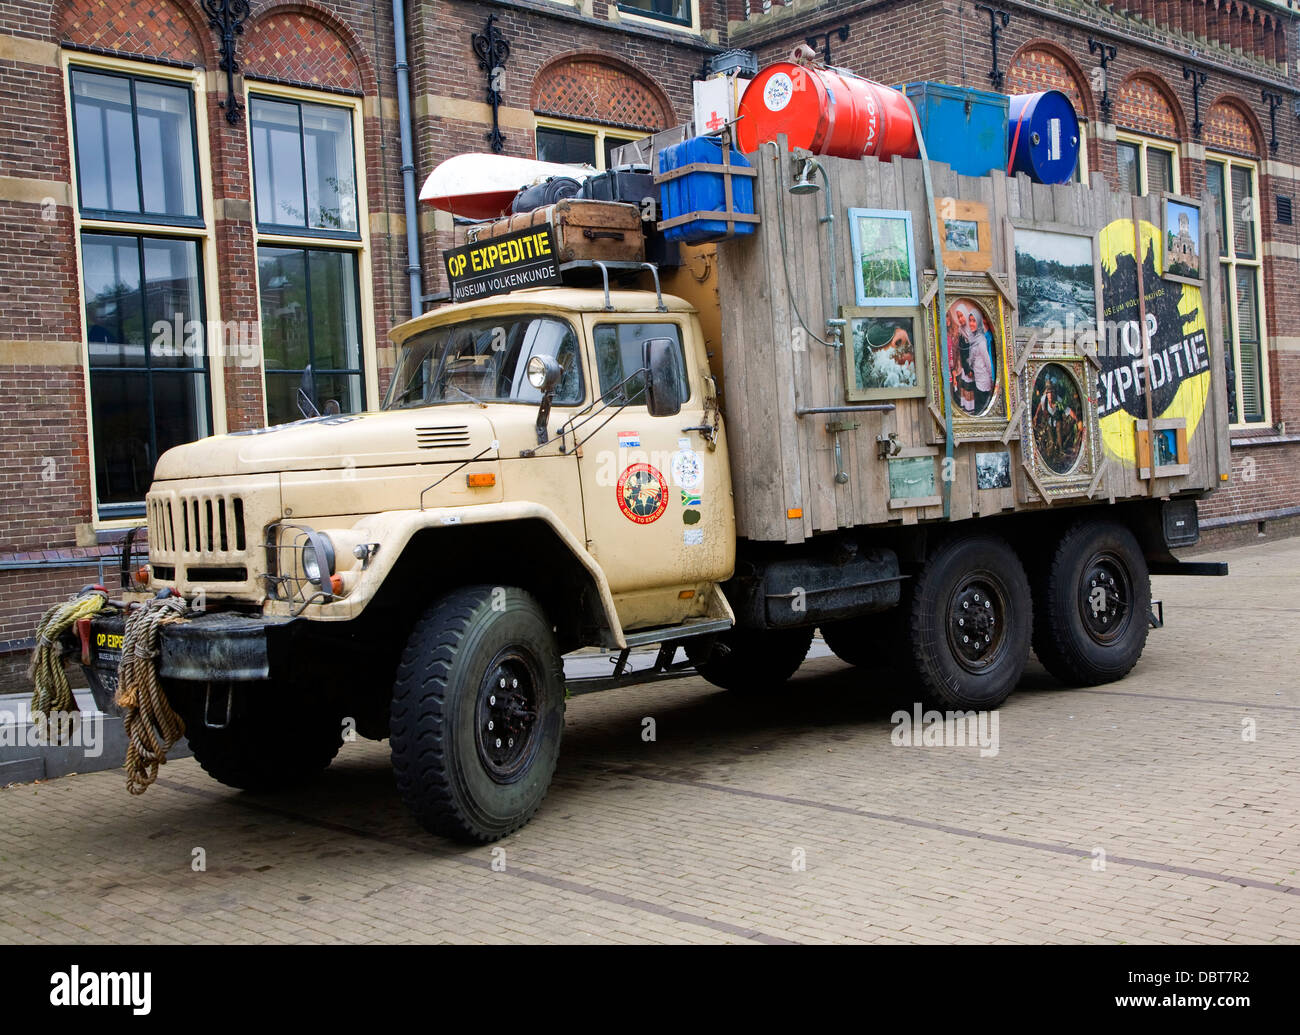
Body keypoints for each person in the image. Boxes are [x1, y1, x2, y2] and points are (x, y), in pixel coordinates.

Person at [967, 309, 995, 414]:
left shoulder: (981, 341)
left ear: (978, 322)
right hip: (977, 378)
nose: (971, 324)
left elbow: (988, 363)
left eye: (974, 321)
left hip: (983, 381)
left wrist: (992, 380)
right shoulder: (973, 337)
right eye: (970, 320)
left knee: (981, 409)